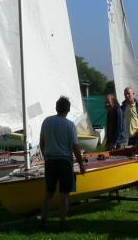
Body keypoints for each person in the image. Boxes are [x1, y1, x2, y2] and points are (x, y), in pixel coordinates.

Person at [39, 96, 86, 231]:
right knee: (64, 194)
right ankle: (62, 223)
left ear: (56, 107)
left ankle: (43, 221)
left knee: (49, 193)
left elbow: (42, 142)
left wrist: (45, 155)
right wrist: (81, 164)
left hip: (50, 161)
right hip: (64, 161)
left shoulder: (46, 122)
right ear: (68, 109)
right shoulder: (70, 125)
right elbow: (75, 147)